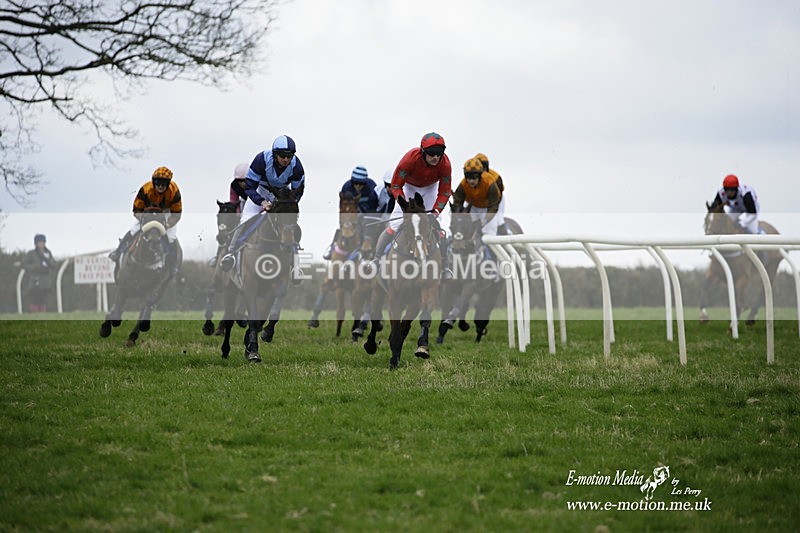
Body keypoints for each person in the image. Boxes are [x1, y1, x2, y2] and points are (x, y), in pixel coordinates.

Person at [219, 135, 305, 282]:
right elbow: (250, 187)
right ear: (275, 154)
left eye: (289, 156)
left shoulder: (296, 167)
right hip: (260, 192)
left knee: (290, 224)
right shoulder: (261, 160)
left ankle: (295, 266)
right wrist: (262, 202)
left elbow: (298, 192)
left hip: (282, 196)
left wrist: (287, 205)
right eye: (282, 156)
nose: (286, 159)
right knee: (246, 220)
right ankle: (231, 254)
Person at [373, 132, 453, 280]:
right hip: (408, 187)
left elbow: (445, 192)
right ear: (422, 151)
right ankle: (376, 259)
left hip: (430, 189)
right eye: (432, 153)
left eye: (439, 153)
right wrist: (404, 205)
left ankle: (445, 266)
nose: (436, 157)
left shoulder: (445, 164)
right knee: (395, 224)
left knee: (436, 226)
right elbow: (395, 185)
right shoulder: (409, 159)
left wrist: (435, 212)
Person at [108, 166, 182, 275]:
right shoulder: (146, 189)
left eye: (164, 184)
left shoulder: (174, 191)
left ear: (168, 183)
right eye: (158, 183)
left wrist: (168, 224)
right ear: (153, 182)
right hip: (147, 212)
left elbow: (177, 213)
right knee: (134, 229)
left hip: (166, 213)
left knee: (171, 237)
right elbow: (136, 210)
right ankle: (118, 251)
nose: (160, 186)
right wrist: (143, 218)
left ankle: (172, 265)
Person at [322, 165, 379, 260]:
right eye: (355, 183)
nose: (358, 186)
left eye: (361, 183)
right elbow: (342, 208)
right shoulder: (346, 187)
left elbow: (374, 207)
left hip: (368, 215)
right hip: (352, 214)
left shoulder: (372, 187)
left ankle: (373, 251)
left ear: (365, 182)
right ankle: (332, 247)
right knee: (344, 227)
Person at [452, 157, 506, 238]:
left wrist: (485, 220)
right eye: (468, 178)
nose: (471, 181)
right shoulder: (463, 184)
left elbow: (494, 206)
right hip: (473, 207)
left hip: (488, 208)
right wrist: (458, 213)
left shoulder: (490, 183)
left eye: (474, 177)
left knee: (489, 234)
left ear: (480, 176)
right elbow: (457, 201)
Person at [21, 234, 56, 313]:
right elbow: (23, 264)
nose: (41, 244)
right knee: (35, 298)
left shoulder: (48, 252)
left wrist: (48, 261)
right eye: (39, 242)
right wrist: (33, 267)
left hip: (46, 280)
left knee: (44, 299)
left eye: (42, 242)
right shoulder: (32, 253)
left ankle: (43, 314)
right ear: (36, 243)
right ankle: (35, 314)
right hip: (35, 279)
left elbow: (53, 264)